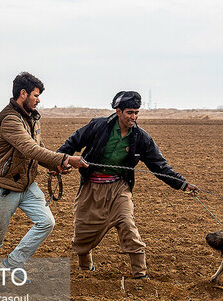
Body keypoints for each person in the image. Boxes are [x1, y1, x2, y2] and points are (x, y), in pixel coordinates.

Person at [58, 91, 198, 279]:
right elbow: (73, 142)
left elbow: (159, 165)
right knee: (83, 230)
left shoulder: (141, 137)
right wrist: (59, 162)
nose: (134, 117)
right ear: (118, 111)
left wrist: (182, 184)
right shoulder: (98, 126)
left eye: (136, 112)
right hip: (91, 187)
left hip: (119, 188)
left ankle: (140, 275)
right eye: (130, 112)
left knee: (127, 223)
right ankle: (85, 271)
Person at [0, 72, 87, 292]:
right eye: (36, 95)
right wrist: (66, 158)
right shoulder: (9, 119)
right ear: (23, 94)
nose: (38, 100)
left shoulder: (31, 117)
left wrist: (52, 166)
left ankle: (13, 264)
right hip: (4, 187)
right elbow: (29, 148)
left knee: (46, 222)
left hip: (27, 185)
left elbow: (37, 147)